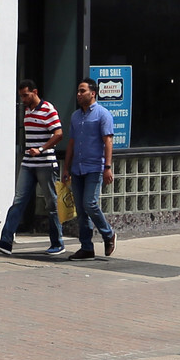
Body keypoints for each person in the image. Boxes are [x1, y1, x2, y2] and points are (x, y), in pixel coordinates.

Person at [0, 80, 66, 258]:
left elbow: (59, 134)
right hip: (28, 164)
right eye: (21, 96)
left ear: (35, 91)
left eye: (25, 95)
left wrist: (41, 149)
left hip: (45, 163)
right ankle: (6, 241)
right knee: (18, 201)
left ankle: (57, 242)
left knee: (51, 203)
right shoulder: (28, 110)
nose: (23, 99)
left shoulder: (48, 109)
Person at [62, 76, 115, 259]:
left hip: (94, 167)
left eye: (82, 91)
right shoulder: (76, 116)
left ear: (93, 93)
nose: (78, 94)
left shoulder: (103, 114)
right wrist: (66, 168)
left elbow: (108, 141)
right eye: (78, 91)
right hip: (77, 168)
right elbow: (71, 142)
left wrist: (107, 167)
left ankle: (108, 234)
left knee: (90, 203)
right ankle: (86, 247)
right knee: (81, 209)